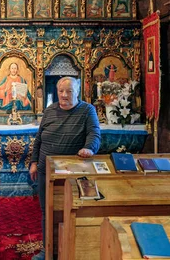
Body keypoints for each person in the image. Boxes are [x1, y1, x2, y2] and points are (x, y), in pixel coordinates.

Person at [28, 77, 101, 260]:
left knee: (71, 211)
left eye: (69, 91)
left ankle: (70, 249)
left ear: (77, 93)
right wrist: (34, 162)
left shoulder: (87, 110)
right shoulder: (49, 110)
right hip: (46, 170)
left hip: (72, 172)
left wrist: (89, 148)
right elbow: (39, 138)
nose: (64, 95)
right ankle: (47, 250)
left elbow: (94, 133)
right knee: (47, 211)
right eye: (61, 91)